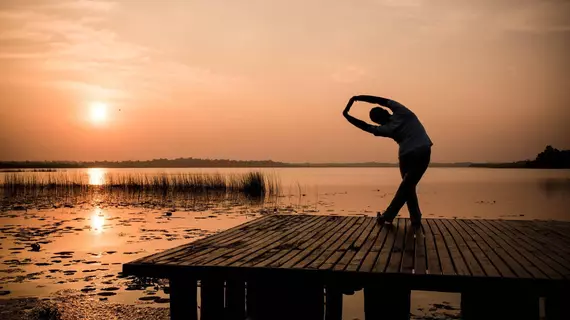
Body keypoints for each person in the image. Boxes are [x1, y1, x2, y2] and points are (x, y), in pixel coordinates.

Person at [342, 95, 433, 227]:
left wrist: (347, 115)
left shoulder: (386, 128)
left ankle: (388, 216)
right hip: (421, 151)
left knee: (407, 187)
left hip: (410, 155)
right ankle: (415, 218)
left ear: (379, 121)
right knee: (408, 187)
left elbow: (365, 126)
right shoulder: (402, 112)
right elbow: (380, 101)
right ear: (385, 111)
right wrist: (358, 98)